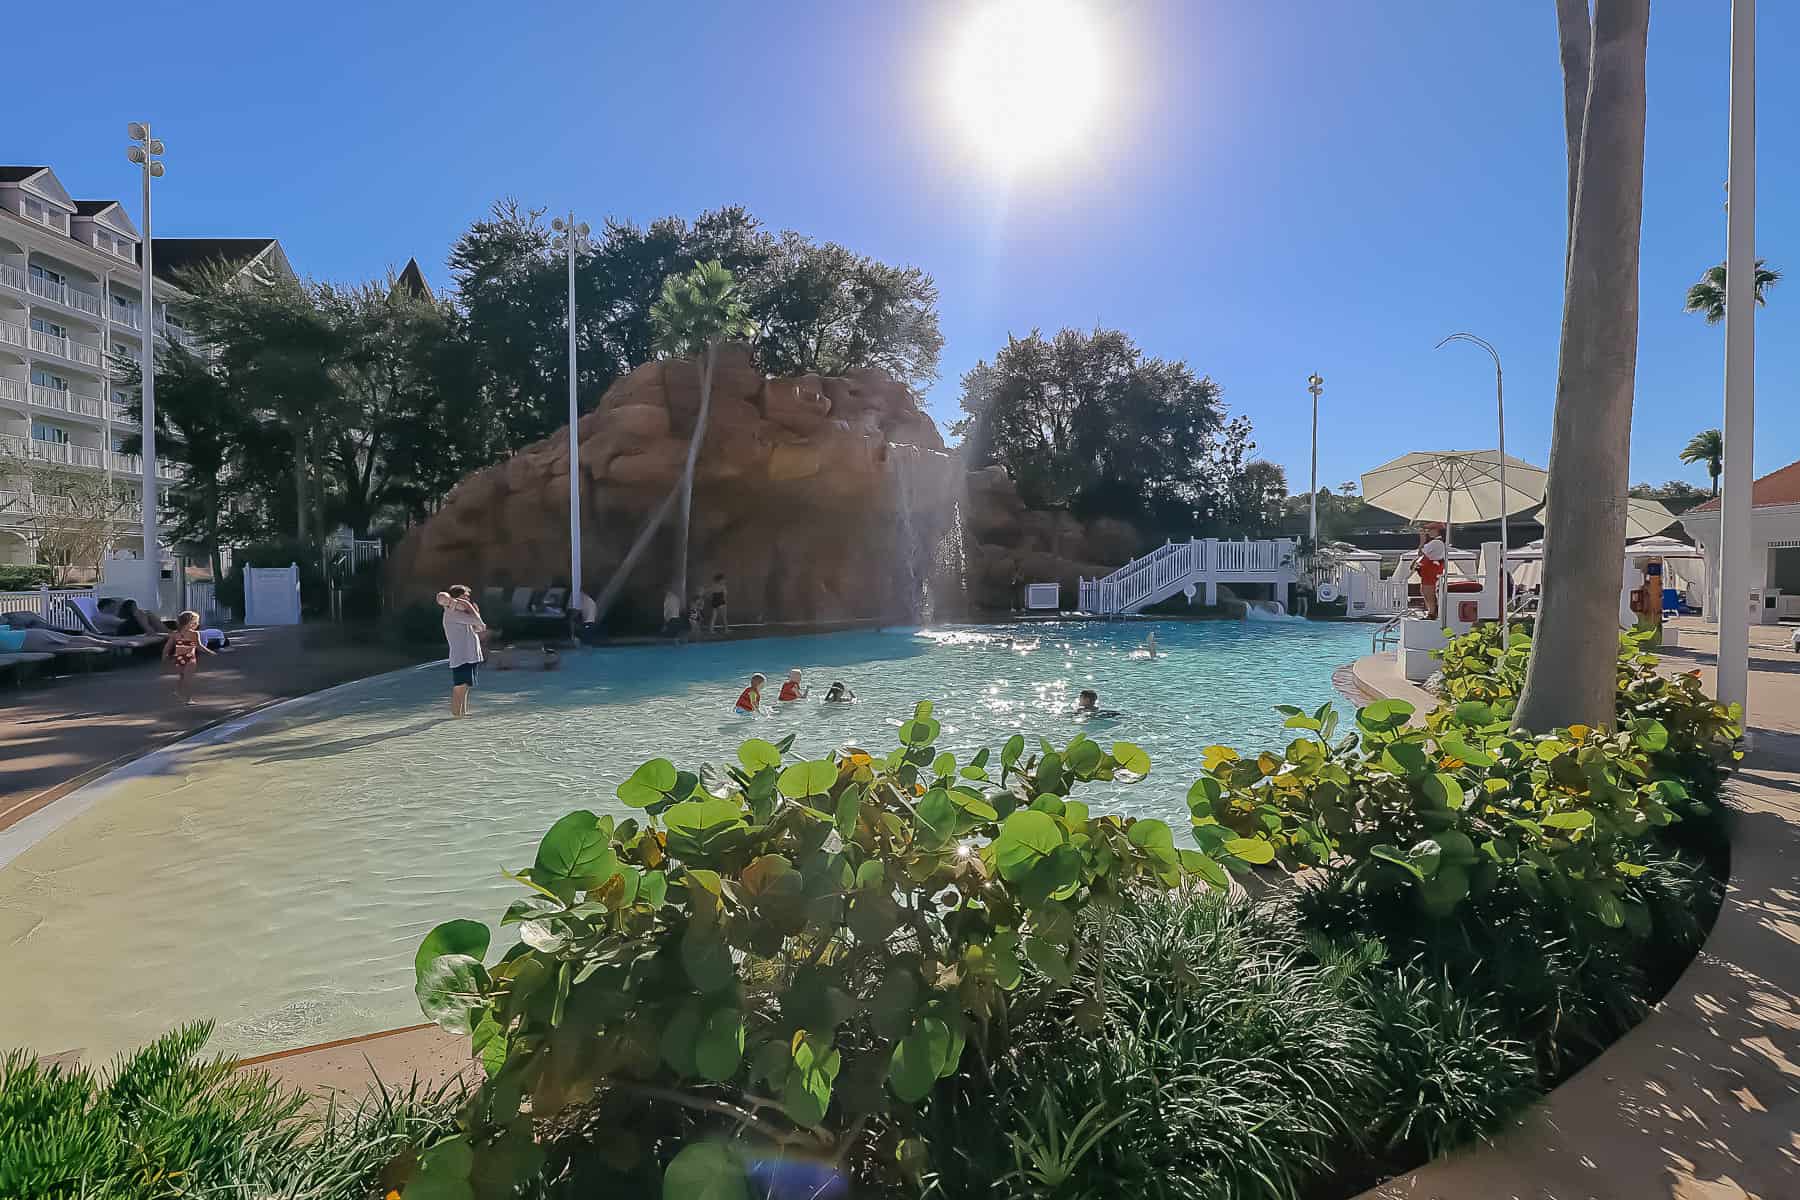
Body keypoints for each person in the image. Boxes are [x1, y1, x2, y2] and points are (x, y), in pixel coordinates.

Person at [437, 586, 487, 717]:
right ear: (457, 598)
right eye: (465, 597)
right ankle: (456, 716)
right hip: (461, 656)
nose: (468, 599)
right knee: (460, 686)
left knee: (466, 686)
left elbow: (479, 628)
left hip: (470, 655)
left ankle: (462, 714)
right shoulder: (453, 613)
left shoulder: (462, 614)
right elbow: (479, 622)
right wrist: (471, 608)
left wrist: (472, 612)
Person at [161, 609, 215, 704]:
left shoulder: (175, 634)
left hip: (179, 657)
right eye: (196, 622)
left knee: (182, 677)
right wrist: (209, 652)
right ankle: (188, 699)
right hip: (190, 658)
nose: (197, 624)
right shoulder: (194, 634)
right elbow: (199, 646)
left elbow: (167, 647)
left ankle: (177, 691)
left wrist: (164, 656)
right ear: (189, 623)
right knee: (188, 679)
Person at [1414, 524, 1448, 621]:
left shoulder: (1435, 543)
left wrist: (1422, 540)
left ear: (1437, 530)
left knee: (1427, 591)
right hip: (1433, 569)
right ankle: (1432, 611)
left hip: (1431, 570)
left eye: (1430, 529)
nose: (1428, 531)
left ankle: (1432, 612)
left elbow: (1420, 552)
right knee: (1426, 590)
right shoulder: (1439, 542)